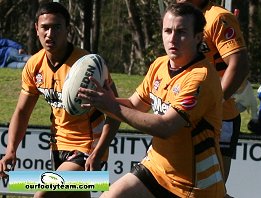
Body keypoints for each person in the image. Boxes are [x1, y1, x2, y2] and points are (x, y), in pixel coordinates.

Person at [78, 3, 225, 198]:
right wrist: (100, 100)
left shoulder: (200, 78)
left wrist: (112, 106)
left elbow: (165, 127)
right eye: (167, 31)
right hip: (155, 169)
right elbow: (133, 106)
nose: (172, 39)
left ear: (197, 37)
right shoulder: (159, 65)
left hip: (193, 187)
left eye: (181, 32)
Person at [0, 2, 120, 198]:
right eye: (45, 27)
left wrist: (99, 152)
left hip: (89, 148)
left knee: (43, 193)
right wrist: (11, 150)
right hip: (58, 146)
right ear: (36, 29)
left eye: (56, 27)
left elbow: (116, 112)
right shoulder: (34, 65)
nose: (50, 33)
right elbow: (22, 112)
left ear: (68, 29)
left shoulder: (90, 65)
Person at [176, 1, 250, 196]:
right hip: (184, 117)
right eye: (167, 31)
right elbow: (135, 103)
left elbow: (239, 64)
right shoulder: (86, 61)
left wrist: (213, 104)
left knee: (208, 192)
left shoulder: (217, 17)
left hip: (217, 120)